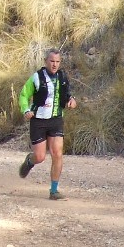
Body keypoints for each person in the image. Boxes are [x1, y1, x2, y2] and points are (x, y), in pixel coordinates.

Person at [17, 49, 78, 200]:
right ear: (46, 61)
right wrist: (26, 110)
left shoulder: (62, 77)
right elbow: (23, 95)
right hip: (38, 121)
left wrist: (71, 101)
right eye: (52, 61)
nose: (54, 64)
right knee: (40, 157)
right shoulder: (36, 77)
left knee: (57, 153)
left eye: (57, 62)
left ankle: (54, 191)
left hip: (56, 119)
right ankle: (30, 161)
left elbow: (67, 94)